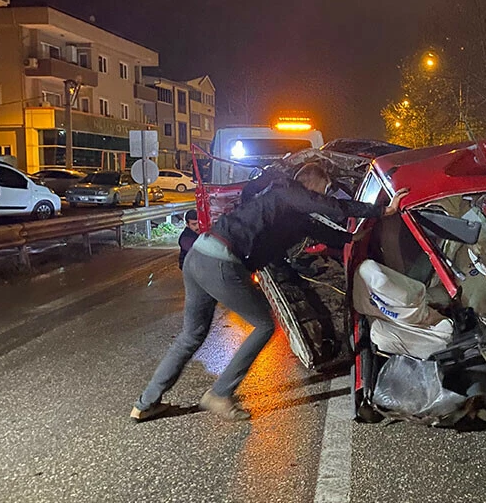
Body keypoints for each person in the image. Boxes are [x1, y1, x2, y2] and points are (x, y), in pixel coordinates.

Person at [131, 163, 409, 422]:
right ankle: (219, 394)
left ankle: (146, 404)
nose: (322, 198)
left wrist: (352, 238)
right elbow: (329, 206)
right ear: (310, 186)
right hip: (221, 260)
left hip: (198, 256)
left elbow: (320, 230)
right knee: (264, 324)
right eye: (323, 190)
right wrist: (381, 211)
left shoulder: (291, 213)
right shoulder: (286, 191)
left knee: (190, 335)